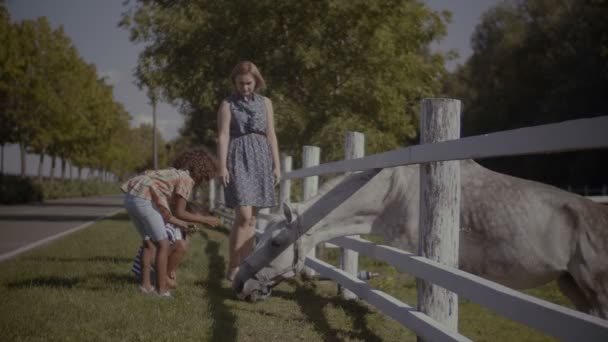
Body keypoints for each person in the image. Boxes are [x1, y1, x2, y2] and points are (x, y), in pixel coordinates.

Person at [121, 147, 220, 297]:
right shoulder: (187, 180)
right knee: (163, 244)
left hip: (131, 195)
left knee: (149, 242)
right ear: (202, 172)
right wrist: (206, 219)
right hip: (143, 197)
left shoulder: (174, 174)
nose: (203, 182)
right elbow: (180, 212)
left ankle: (146, 286)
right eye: (206, 178)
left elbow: (167, 213)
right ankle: (162, 291)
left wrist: (183, 224)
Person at [217, 61, 281, 281]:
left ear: (256, 82)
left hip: (261, 157)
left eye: (249, 83)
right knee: (243, 216)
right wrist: (222, 165)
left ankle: (246, 267)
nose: (245, 87)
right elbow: (224, 135)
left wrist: (277, 165)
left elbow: (271, 133)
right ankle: (233, 266)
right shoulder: (228, 104)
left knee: (252, 220)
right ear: (235, 82)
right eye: (241, 83)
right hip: (238, 157)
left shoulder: (266, 103)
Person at [131, 201, 210, 290]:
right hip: (144, 272)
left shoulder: (182, 234)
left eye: (199, 223)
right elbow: (152, 257)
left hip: (154, 269)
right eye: (194, 221)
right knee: (181, 246)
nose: (196, 226)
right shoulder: (169, 230)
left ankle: (162, 278)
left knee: (183, 244)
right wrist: (165, 277)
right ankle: (161, 280)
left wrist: (172, 271)